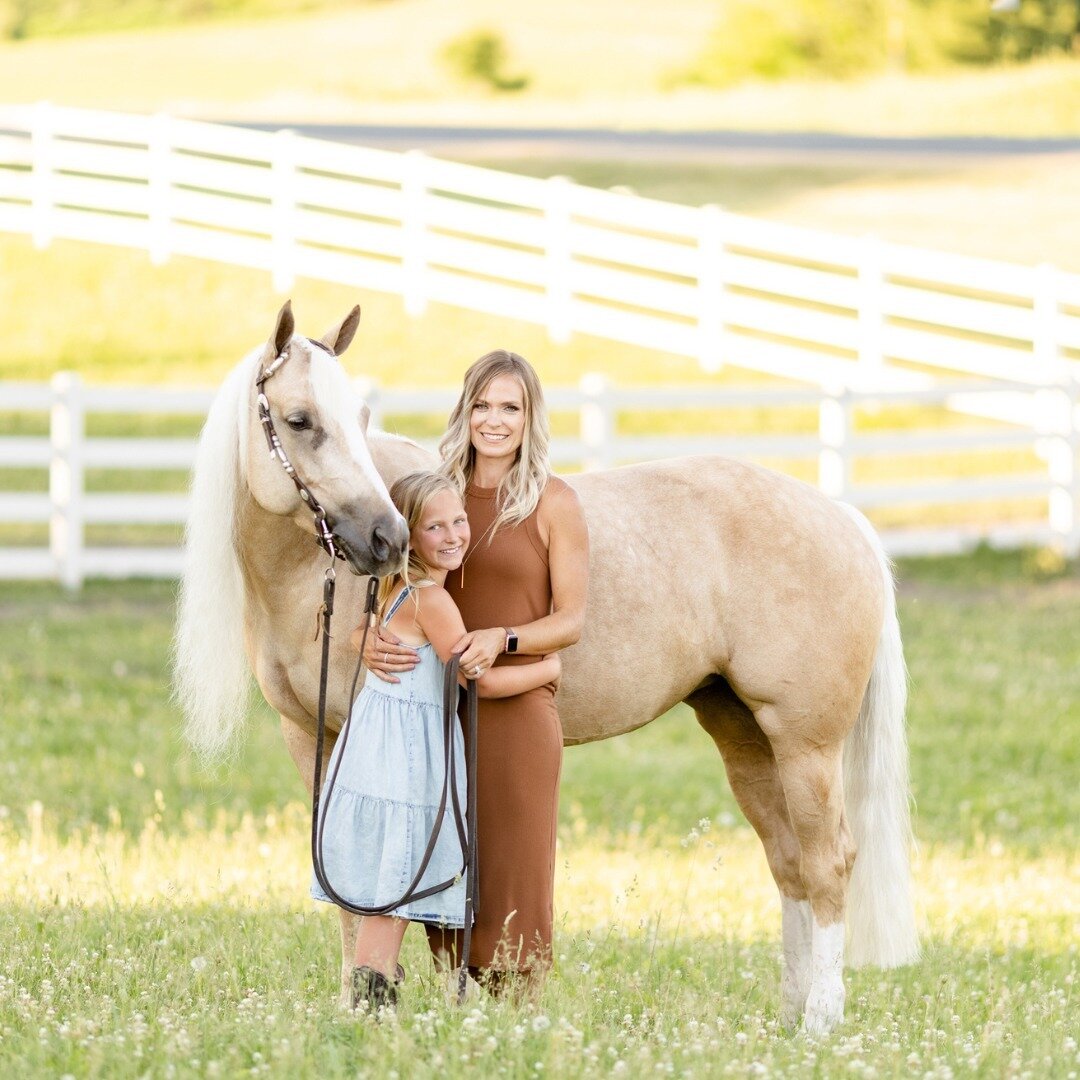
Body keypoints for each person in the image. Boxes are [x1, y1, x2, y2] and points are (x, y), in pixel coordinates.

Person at [364, 350, 589, 992]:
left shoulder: (554, 502)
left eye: (510, 407)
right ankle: (457, 1002)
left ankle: (519, 1013)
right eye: (483, 405)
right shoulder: (431, 494)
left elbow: (570, 620)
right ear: (465, 411)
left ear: (530, 417)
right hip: (438, 712)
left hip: (516, 714)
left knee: (515, 865)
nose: (494, 420)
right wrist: (364, 638)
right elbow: (385, 585)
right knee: (447, 855)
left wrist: (506, 638)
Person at [311, 470, 562, 1011]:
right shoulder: (435, 602)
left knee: (390, 873)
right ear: (409, 536)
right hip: (406, 753)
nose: (453, 536)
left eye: (460, 521)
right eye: (434, 527)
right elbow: (481, 680)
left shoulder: (399, 588)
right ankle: (370, 996)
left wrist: (360, 635)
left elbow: (370, 630)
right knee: (399, 874)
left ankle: (371, 990)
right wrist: (547, 670)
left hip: (378, 744)